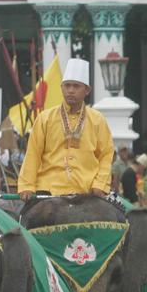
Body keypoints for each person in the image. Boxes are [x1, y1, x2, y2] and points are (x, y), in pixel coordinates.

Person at [17, 58, 114, 201]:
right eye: (67, 86)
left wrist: (100, 184)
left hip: (87, 190)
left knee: (119, 218)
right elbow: (33, 154)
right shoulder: (45, 118)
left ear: (87, 90)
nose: (70, 90)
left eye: (76, 86)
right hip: (48, 190)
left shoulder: (98, 119)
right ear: (61, 88)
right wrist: (26, 185)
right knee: (24, 220)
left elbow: (106, 154)